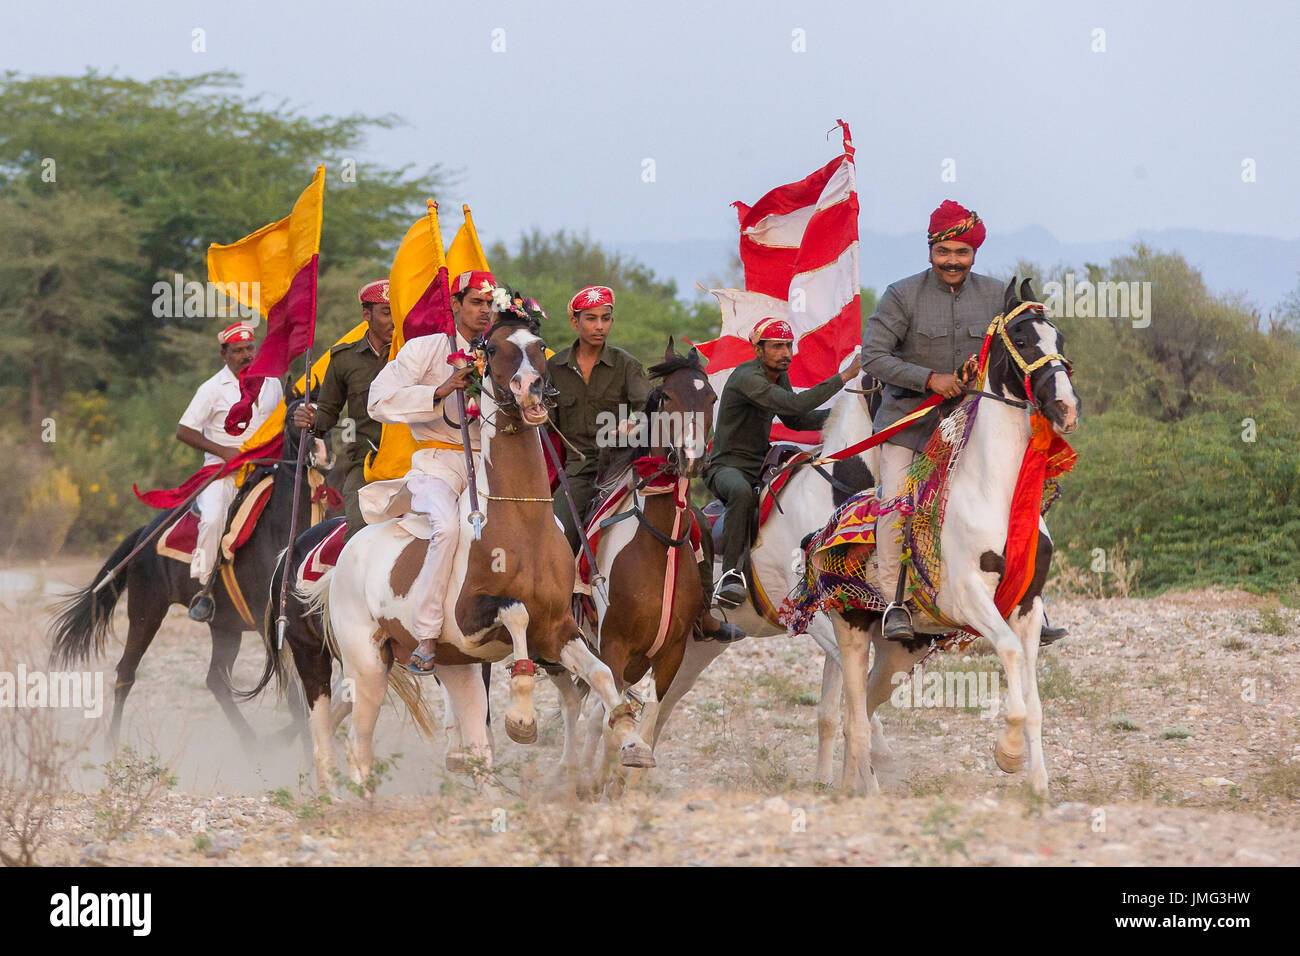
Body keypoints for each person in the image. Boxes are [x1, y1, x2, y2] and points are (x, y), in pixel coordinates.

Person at [862, 199, 1066, 643]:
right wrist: (929, 379)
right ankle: (895, 603)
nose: (952, 261)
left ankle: (1030, 603)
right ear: (930, 249)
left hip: (973, 426)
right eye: (944, 252)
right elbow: (873, 356)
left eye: (962, 253)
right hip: (909, 424)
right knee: (897, 502)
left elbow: (1020, 349)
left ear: (974, 253)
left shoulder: (997, 295)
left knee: (1022, 497)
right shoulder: (901, 295)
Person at [363, 270, 496, 674]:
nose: (485, 311)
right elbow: (377, 401)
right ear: (455, 305)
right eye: (476, 302)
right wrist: (439, 390)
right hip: (436, 464)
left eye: (490, 304)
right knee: (449, 529)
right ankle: (426, 632)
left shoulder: (502, 350)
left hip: (488, 464)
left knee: (542, 526)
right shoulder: (424, 350)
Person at [705, 318, 861, 609]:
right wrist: (845, 376)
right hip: (726, 468)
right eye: (777, 346)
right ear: (758, 349)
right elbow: (794, 406)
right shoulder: (746, 377)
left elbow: (797, 420)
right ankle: (730, 575)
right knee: (739, 491)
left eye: (789, 346)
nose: (786, 353)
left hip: (761, 466)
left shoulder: (778, 374)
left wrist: (848, 415)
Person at [178, 322, 283, 622]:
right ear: (224, 354)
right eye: (238, 351)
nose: (246, 355)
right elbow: (184, 430)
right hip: (221, 472)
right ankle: (206, 590)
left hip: (264, 471)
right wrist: (224, 452)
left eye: (250, 348)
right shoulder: (211, 389)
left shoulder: (271, 383)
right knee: (212, 519)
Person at [546, 285, 651, 549]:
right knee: (556, 534)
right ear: (575, 322)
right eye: (591, 319)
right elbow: (545, 424)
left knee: (686, 523)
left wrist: (635, 423)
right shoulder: (554, 368)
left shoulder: (626, 364)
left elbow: (651, 410)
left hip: (622, 469)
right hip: (578, 472)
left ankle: (715, 584)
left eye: (605, 319)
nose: (599, 326)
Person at [291, 279, 392, 538]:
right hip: (365, 461)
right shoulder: (343, 359)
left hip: (415, 459)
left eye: (398, 310)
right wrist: (310, 419)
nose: (394, 319)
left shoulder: (415, 351)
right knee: (358, 531)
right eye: (386, 312)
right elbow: (327, 415)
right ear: (366, 315)